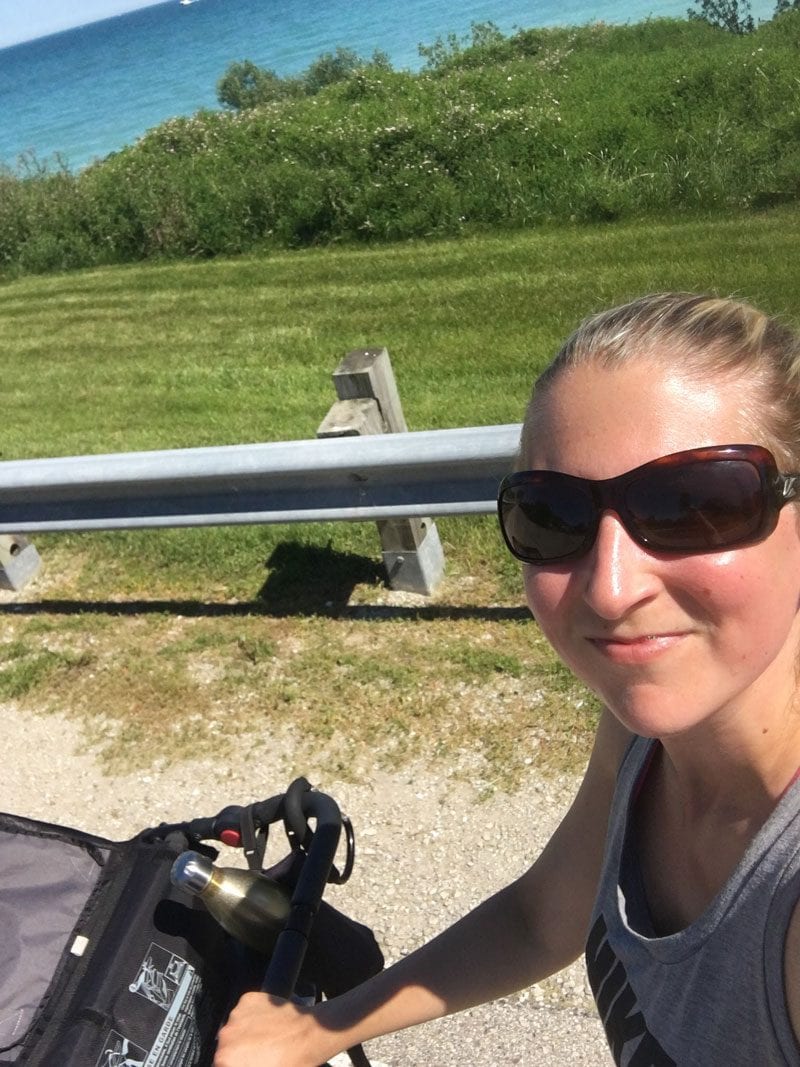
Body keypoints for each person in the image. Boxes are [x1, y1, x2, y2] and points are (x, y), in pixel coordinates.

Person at [214, 292, 800, 1067]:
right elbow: (543, 917)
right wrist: (323, 1026)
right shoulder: (643, 729)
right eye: (555, 515)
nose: (611, 588)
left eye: (692, 505)